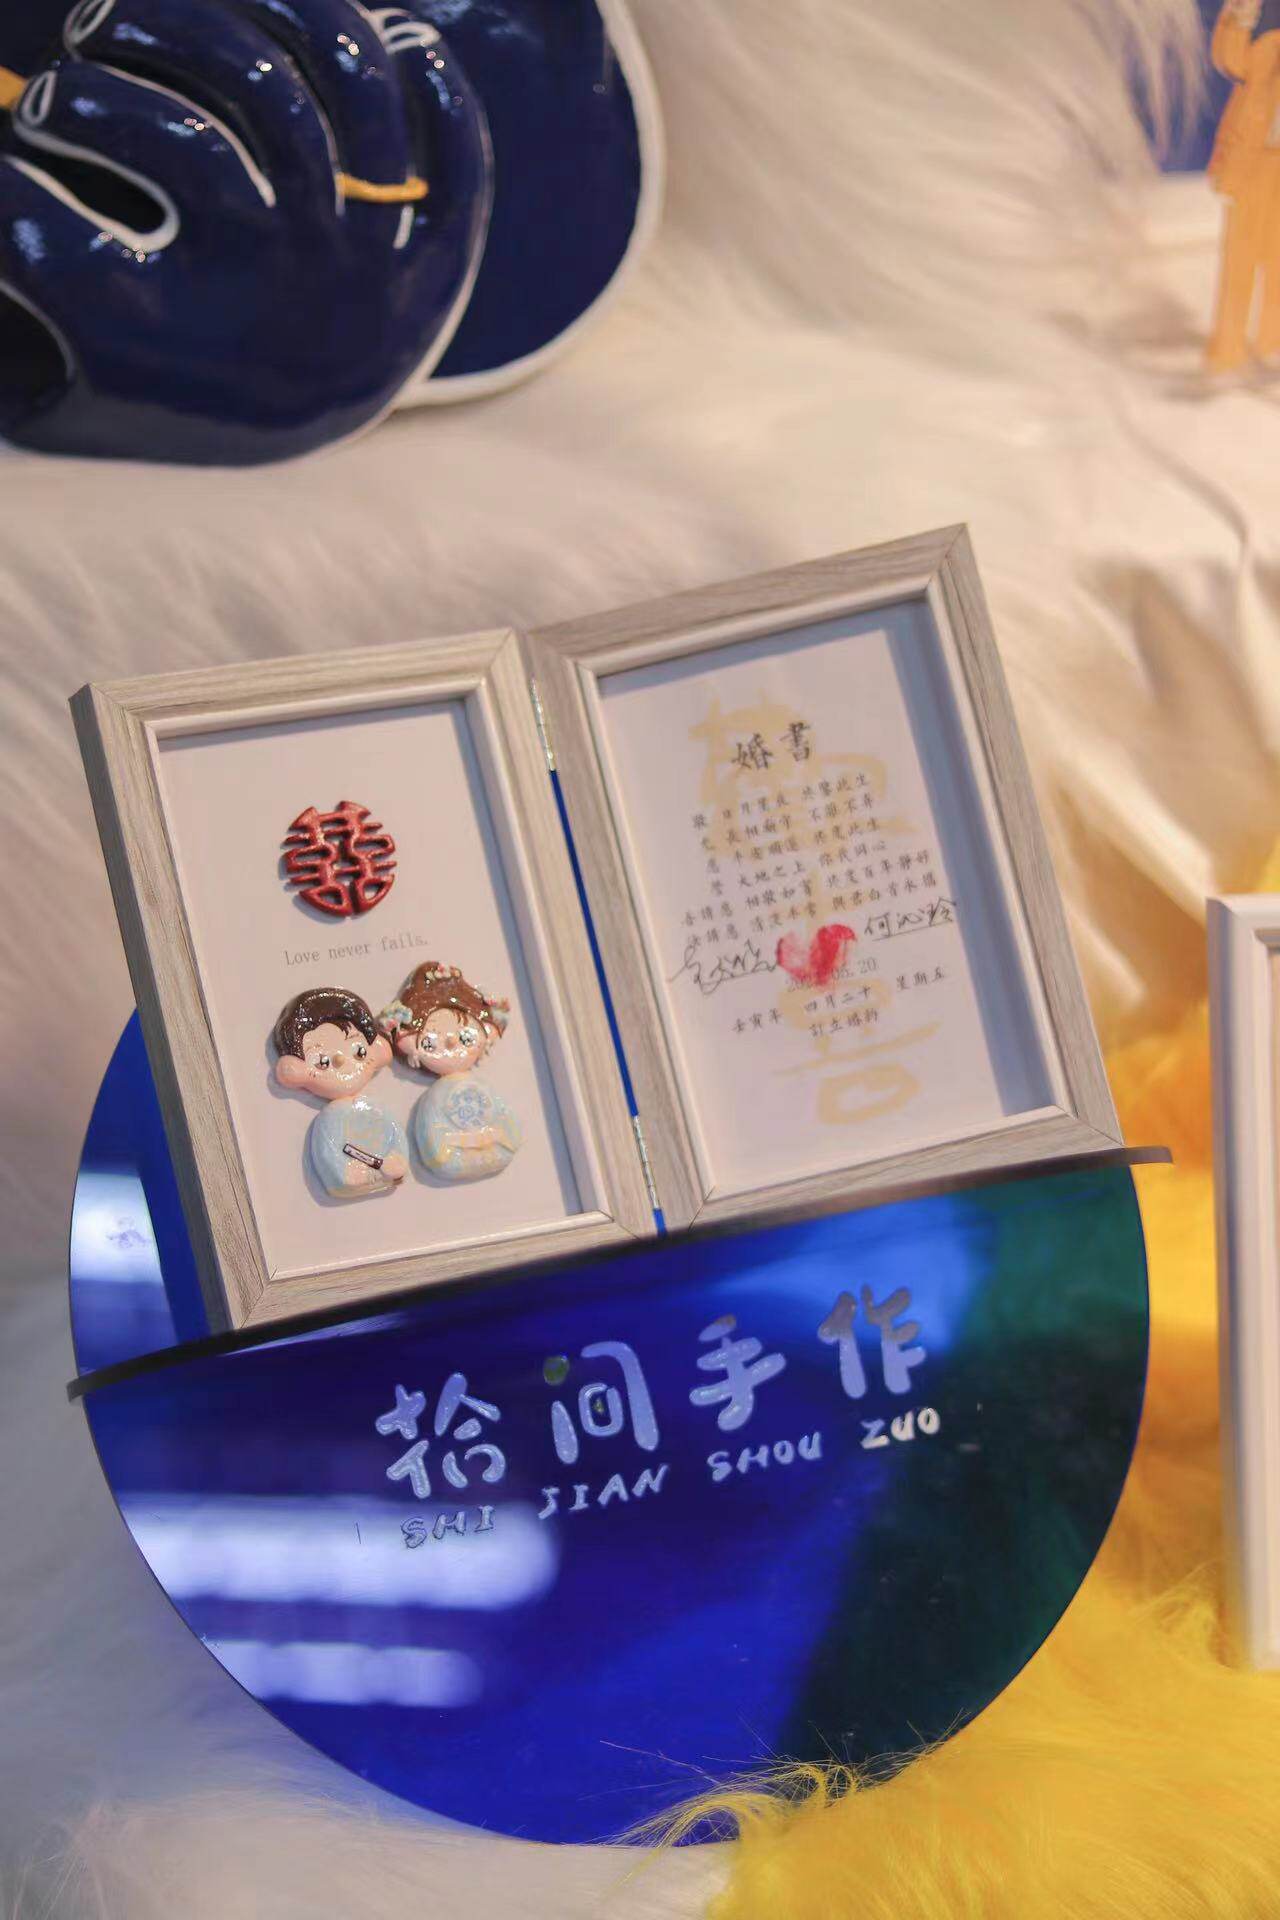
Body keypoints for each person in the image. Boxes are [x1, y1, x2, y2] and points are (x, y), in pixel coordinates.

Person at [379, 962, 521, 1183]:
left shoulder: (482, 1089)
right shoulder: (436, 1098)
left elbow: (505, 1120)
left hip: (491, 1145)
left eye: (465, 1037)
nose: (453, 1042)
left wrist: (501, 1136)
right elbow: (434, 1135)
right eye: (429, 1041)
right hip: (455, 1152)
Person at [273, 986, 408, 1198]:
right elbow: (328, 1149)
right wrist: (344, 1170)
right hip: (350, 1181)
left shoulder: (375, 1109)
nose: (339, 1059)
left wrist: (397, 1159)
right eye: (322, 1061)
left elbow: (395, 1136)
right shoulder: (331, 1119)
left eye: (359, 1051)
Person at [1207, 0, 1280, 371]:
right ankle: (1228, 350)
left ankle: (1272, 345)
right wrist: (1243, 14)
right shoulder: (1261, 17)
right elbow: (1232, 62)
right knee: (1240, 259)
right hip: (1254, 159)